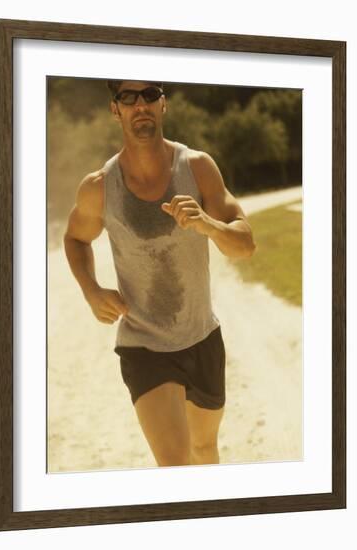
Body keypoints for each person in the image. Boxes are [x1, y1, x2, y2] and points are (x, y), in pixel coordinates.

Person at [64, 79, 256, 467]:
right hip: (144, 345)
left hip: (202, 337)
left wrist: (208, 225)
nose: (141, 106)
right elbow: (74, 239)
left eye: (150, 95)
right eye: (129, 97)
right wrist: (90, 289)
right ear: (115, 109)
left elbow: (245, 245)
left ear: (163, 104)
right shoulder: (99, 187)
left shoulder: (198, 168)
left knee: (204, 451)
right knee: (175, 464)